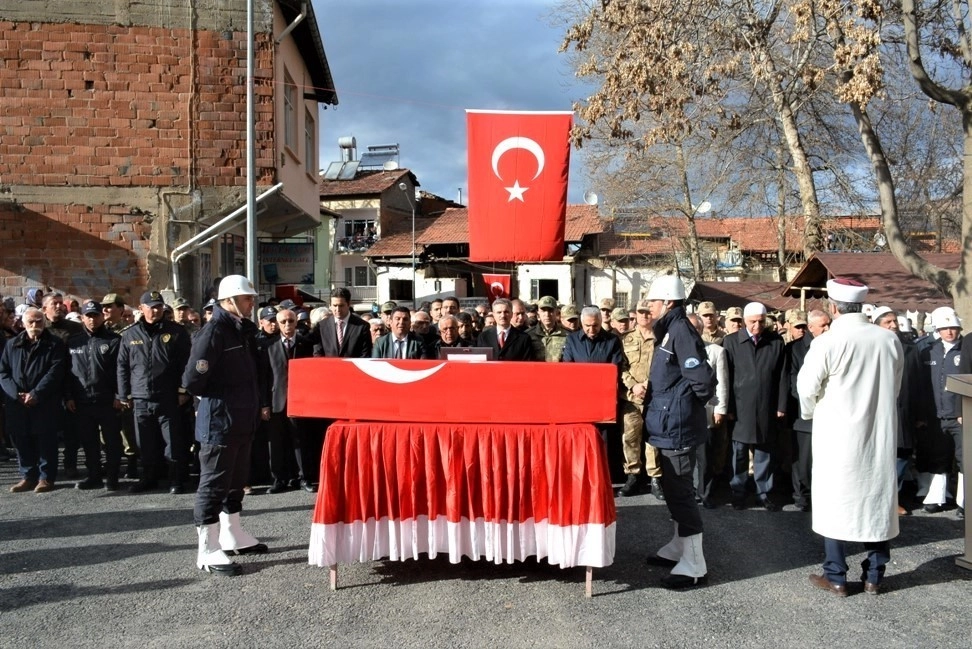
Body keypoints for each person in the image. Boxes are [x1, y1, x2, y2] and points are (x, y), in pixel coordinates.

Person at [797, 278, 903, 596]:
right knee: (877, 501)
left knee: (835, 503)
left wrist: (812, 413)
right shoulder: (888, 340)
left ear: (833, 307)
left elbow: (806, 390)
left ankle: (836, 576)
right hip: (878, 433)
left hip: (837, 437)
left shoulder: (827, 342)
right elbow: (895, 387)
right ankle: (874, 574)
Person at [184, 274, 267, 576]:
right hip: (220, 422)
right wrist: (222, 396)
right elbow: (193, 379)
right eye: (247, 298)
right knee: (213, 485)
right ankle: (207, 549)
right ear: (229, 300)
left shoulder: (241, 330)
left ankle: (232, 533)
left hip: (241, 421)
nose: (252, 302)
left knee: (236, 481)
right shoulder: (214, 332)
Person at [642, 275, 715, 589]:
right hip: (669, 424)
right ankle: (678, 546)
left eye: (653, 303)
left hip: (677, 427)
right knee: (672, 488)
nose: (649, 308)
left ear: (667, 303)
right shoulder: (671, 330)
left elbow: (702, 381)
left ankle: (695, 563)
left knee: (682, 493)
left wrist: (681, 407)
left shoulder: (680, 330)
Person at [117, 291, 192, 493]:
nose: (156, 310)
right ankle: (149, 478)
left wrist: (183, 390)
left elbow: (186, 363)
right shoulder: (130, 334)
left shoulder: (176, 332)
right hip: (141, 397)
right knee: (145, 442)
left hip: (168, 396)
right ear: (142, 308)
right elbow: (123, 366)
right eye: (151, 306)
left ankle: (175, 479)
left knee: (173, 442)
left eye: (159, 306)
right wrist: (125, 395)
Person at [723, 302, 788, 511]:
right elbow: (726, 377)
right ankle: (738, 492)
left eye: (761, 321)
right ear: (744, 321)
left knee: (764, 451)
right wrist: (729, 407)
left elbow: (782, 376)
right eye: (752, 322)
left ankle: (763, 492)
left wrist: (781, 405)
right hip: (740, 408)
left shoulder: (776, 342)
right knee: (739, 454)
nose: (757, 326)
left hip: (766, 406)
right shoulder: (731, 342)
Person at [0, 307, 67, 493]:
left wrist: (36, 394)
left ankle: (46, 477)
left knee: (46, 440)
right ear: (23, 323)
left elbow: (55, 372)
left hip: (44, 401)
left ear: (44, 322)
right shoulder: (12, 344)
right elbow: (3, 372)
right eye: (31, 322)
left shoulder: (54, 344)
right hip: (17, 403)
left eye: (38, 321)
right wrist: (15, 394)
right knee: (21, 440)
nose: (35, 325)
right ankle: (28, 476)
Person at [65, 300, 123, 491]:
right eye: (88, 316)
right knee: (89, 443)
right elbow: (67, 373)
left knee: (112, 442)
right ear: (82, 318)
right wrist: (69, 396)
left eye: (95, 315)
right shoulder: (73, 342)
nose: (92, 320)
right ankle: (94, 476)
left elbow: (121, 371)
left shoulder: (114, 340)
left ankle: (113, 478)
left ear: (102, 316)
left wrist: (119, 395)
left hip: (107, 400)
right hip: (82, 401)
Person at [260, 308, 315, 494]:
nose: (287, 325)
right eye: (283, 322)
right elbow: (265, 377)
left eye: (291, 321)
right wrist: (264, 404)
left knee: (301, 441)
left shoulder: (305, 344)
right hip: (276, 401)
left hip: (300, 401)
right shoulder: (269, 345)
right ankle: (279, 480)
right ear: (278, 323)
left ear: (296, 322)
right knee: (275, 443)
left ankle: (304, 478)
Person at [919, 306, 964, 515]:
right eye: (944, 328)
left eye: (953, 327)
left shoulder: (966, 349)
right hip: (935, 415)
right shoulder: (929, 350)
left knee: (964, 458)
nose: (949, 332)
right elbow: (921, 384)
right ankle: (936, 498)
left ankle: (964, 502)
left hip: (961, 415)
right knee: (939, 457)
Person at [618, 300, 661, 498]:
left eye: (648, 312)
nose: (645, 315)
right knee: (630, 438)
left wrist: (650, 385)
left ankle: (655, 477)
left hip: (655, 397)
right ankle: (633, 476)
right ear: (635, 314)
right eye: (641, 312)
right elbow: (621, 366)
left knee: (654, 438)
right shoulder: (624, 340)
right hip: (631, 397)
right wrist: (633, 385)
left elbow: (665, 367)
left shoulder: (661, 339)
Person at [687, 313, 728, 509]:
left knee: (705, 456)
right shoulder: (677, 351)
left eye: (697, 328)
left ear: (702, 330)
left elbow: (722, 384)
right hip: (684, 411)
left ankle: (705, 494)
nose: (694, 332)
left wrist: (720, 409)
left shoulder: (716, 351)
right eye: (690, 328)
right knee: (685, 457)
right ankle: (686, 494)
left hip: (707, 410)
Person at [313, 287, 371, 358]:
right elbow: (317, 353)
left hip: (352, 368)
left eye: (341, 305)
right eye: (335, 305)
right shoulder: (321, 326)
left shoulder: (362, 326)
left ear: (348, 304)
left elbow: (365, 354)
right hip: (329, 367)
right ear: (330, 305)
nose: (338, 309)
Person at [527, 296, 568, 362]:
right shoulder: (528, 335)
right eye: (543, 311)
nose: (547, 314)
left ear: (556, 313)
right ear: (538, 314)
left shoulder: (567, 335)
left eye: (550, 310)